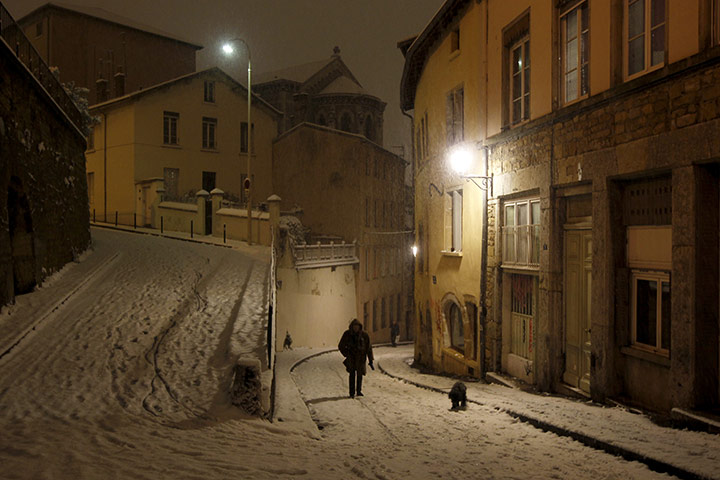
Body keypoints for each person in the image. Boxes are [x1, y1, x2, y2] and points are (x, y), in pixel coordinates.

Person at [338, 318, 374, 398]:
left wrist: (370, 360)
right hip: (351, 358)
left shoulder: (364, 335)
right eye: (354, 326)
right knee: (352, 374)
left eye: (357, 326)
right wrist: (346, 354)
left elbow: (369, 348)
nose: (356, 328)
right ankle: (351, 392)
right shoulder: (347, 334)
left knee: (360, 375)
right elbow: (341, 345)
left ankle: (359, 391)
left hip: (361, 358)